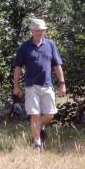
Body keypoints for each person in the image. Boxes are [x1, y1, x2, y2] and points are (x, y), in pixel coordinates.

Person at [13, 18, 66, 151]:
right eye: (36, 30)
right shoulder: (25, 47)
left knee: (50, 114)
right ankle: (37, 143)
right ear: (32, 31)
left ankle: (39, 127)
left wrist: (62, 83)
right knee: (35, 114)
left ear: (44, 31)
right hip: (31, 85)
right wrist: (16, 85)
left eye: (41, 30)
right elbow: (18, 67)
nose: (39, 32)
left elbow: (57, 65)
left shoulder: (50, 44)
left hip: (47, 85)